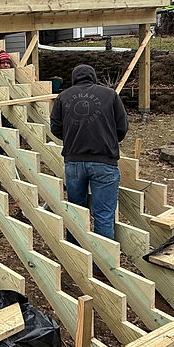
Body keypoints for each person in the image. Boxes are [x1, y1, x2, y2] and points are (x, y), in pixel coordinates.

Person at [50, 64, 128, 240]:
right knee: (104, 215)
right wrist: (107, 141)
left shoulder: (63, 97)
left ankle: (75, 257)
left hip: (74, 162)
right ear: (93, 77)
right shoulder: (110, 95)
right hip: (104, 162)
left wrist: (74, 139)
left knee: (75, 212)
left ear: (74, 78)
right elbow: (122, 127)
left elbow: (55, 128)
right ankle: (101, 265)